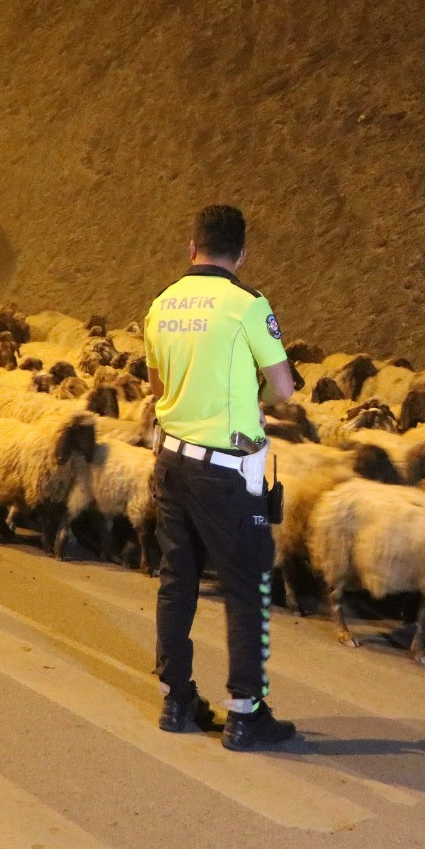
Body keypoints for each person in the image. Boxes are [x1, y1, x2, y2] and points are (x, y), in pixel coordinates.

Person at [142, 204, 298, 750]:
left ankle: (176, 700)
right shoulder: (246, 305)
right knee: (246, 584)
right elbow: (284, 389)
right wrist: (252, 397)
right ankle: (243, 713)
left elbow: (160, 384)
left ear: (192, 247)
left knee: (177, 580)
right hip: (225, 473)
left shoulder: (160, 304)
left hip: (170, 463)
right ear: (242, 253)